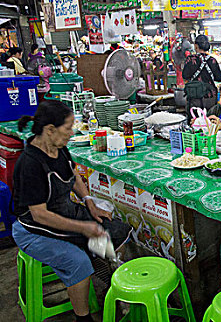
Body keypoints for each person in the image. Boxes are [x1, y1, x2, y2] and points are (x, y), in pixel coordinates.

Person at [11, 101, 131, 322]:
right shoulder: (30, 164)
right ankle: (83, 317)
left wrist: (89, 203)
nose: (72, 132)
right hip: (33, 229)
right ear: (50, 129)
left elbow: (73, 175)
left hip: (64, 213)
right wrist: (83, 227)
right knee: (78, 261)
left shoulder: (58, 147)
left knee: (116, 231)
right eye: (68, 127)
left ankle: (112, 287)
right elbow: (39, 215)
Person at [182, 34, 221, 115]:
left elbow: (185, 76)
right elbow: (219, 78)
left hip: (195, 96)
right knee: (209, 121)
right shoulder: (212, 60)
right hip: (210, 97)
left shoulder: (190, 59)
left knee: (194, 121)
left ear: (196, 46)